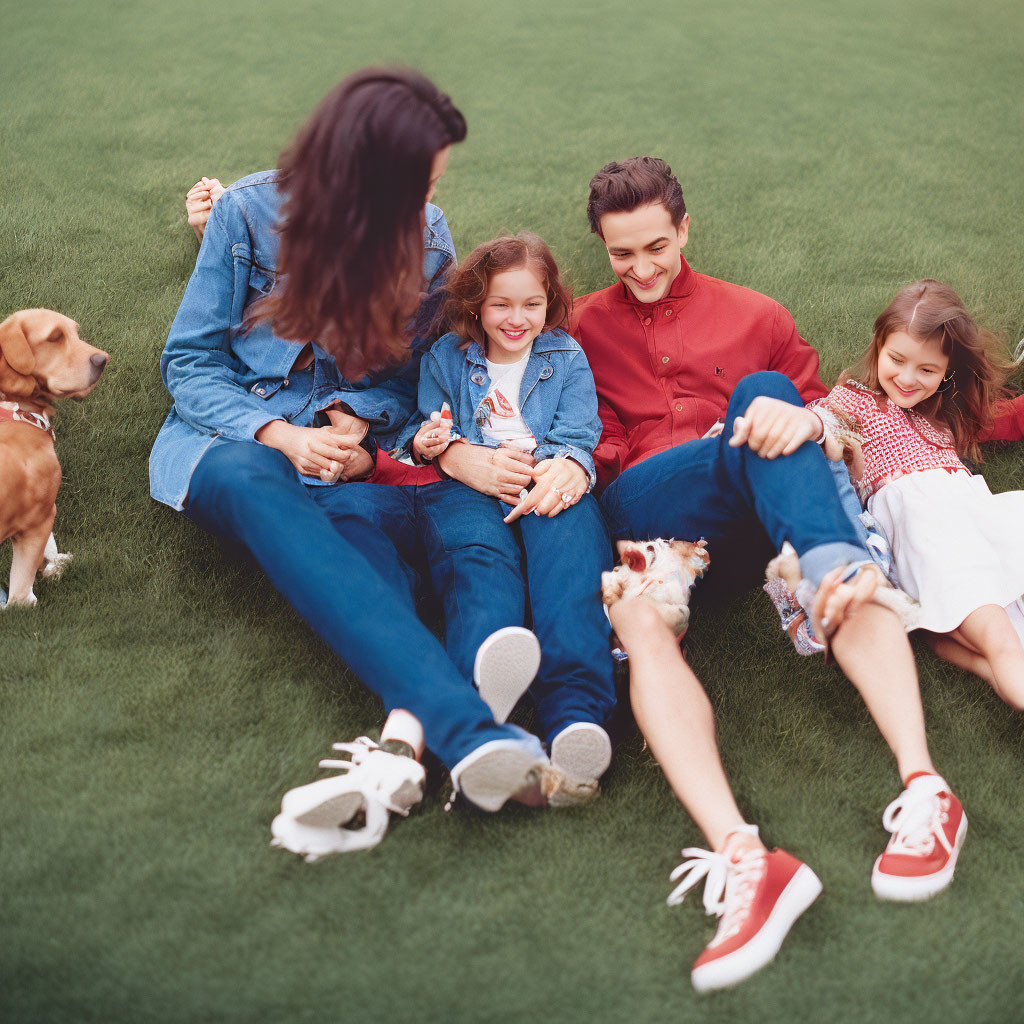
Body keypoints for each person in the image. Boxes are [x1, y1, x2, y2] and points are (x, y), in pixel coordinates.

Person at [571, 157, 965, 993]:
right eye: (620, 254)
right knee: (643, 612)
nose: (641, 269)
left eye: (655, 247)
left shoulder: (758, 314)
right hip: (649, 516)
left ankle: (927, 790)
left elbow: (827, 429)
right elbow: (581, 445)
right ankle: (743, 858)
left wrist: (799, 419)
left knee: (774, 410)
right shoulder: (575, 327)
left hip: (763, 518)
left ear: (684, 229)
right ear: (602, 248)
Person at [150, 68, 560, 853]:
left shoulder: (428, 237)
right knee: (253, 476)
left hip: (352, 458)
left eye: (433, 185)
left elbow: (412, 382)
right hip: (232, 444)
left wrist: (354, 426)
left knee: (362, 526)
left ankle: (425, 740)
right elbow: (190, 363)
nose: (423, 208)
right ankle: (465, 725)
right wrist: (283, 435)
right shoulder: (248, 213)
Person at [404, 233, 616, 802]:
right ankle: (478, 703)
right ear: (476, 303)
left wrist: (561, 468)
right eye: (501, 304)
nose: (516, 318)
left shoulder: (565, 356)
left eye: (531, 304)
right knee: (478, 569)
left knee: (570, 573)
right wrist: (432, 442)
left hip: (545, 478)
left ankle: (575, 714)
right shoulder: (446, 358)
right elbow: (427, 430)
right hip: (470, 487)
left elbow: (578, 434)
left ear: (549, 304)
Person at [816, 280, 1024, 708]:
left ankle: (990, 665)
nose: (908, 379)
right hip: (930, 533)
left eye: (927, 370)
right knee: (1001, 641)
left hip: (974, 516)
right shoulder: (851, 400)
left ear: (947, 370)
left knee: (975, 633)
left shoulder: (944, 412)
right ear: (878, 344)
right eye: (897, 359)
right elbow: (816, 427)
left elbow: (1004, 418)